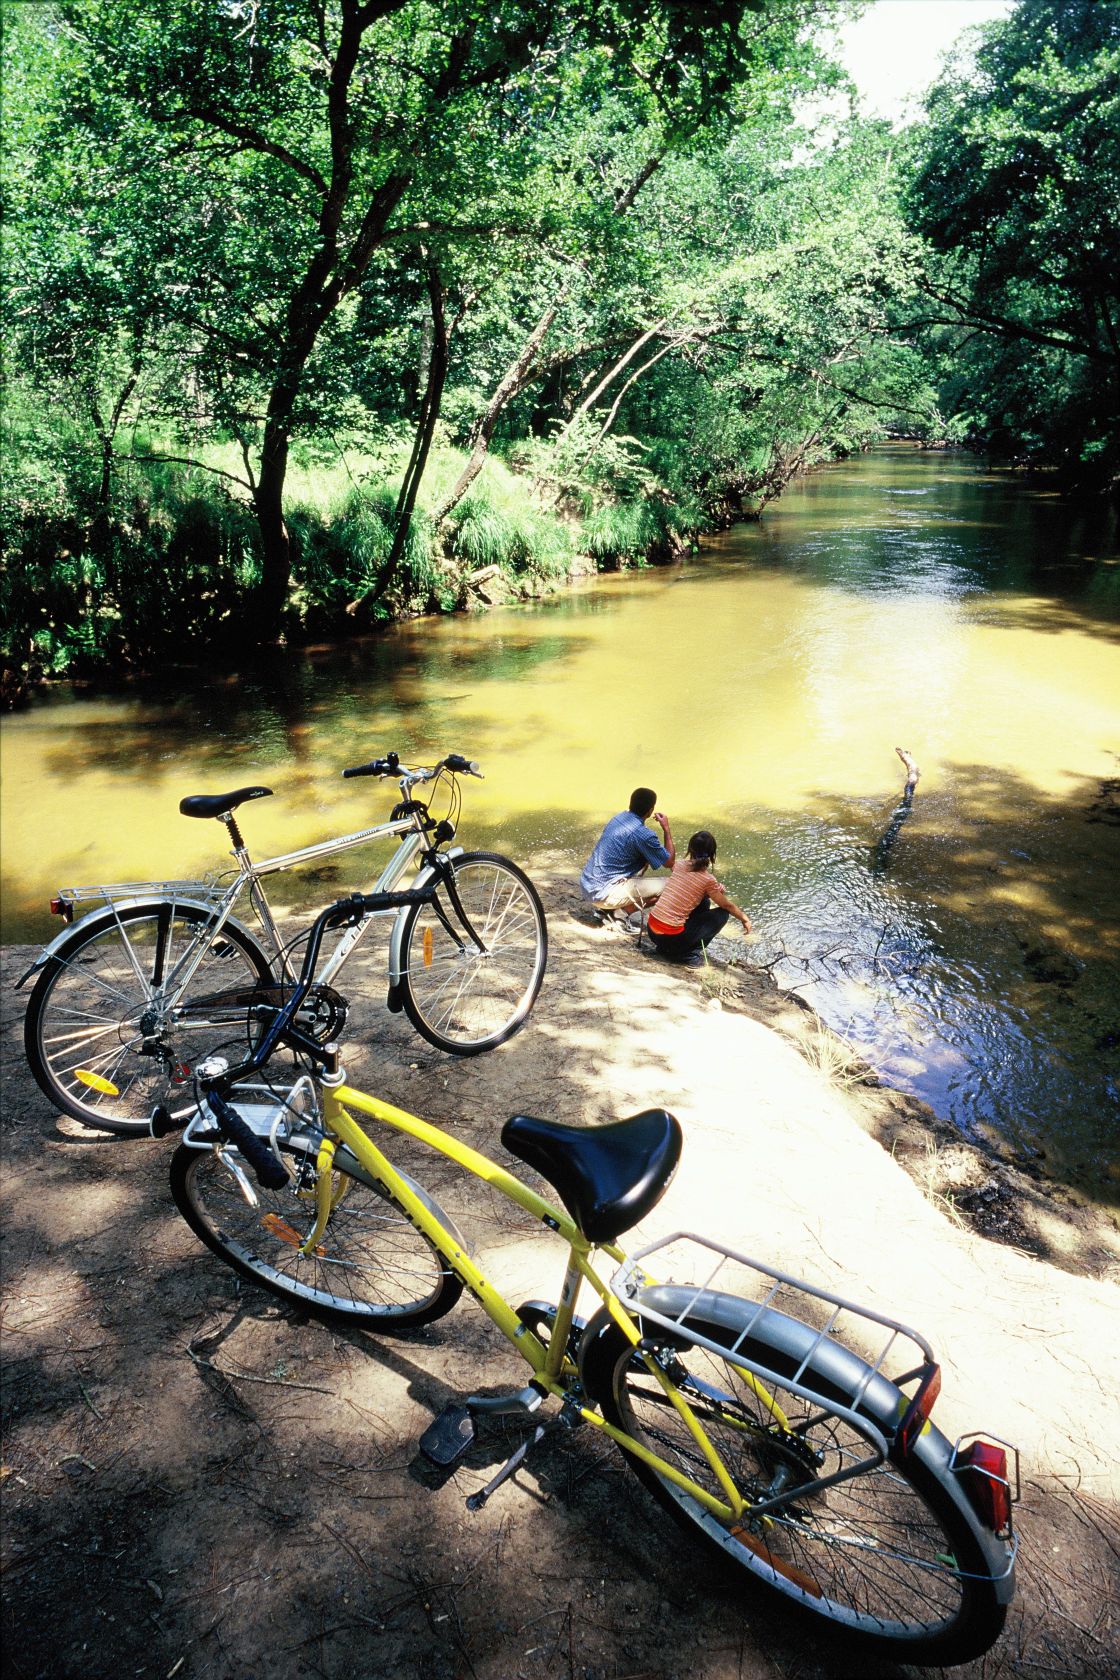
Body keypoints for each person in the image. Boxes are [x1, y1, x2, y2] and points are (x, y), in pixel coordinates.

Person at [645, 829, 751, 963]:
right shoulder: (708, 879)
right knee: (723, 914)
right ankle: (687, 955)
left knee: (704, 903)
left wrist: (709, 893)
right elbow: (726, 905)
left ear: (690, 849)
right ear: (712, 855)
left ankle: (666, 949)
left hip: (652, 930)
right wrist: (744, 919)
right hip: (669, 938)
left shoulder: (679, 865)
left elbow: (689, 889)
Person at [580, 788, 676, 916]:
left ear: (631, 803)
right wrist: (666, 828)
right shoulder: (644, 835)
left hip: (588, 885)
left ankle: (607, 910)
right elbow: (669, 862)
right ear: (651, 810)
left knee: (646, 857)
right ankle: (621, 914)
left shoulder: (618, 818)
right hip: (603, 894)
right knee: (672, 886)